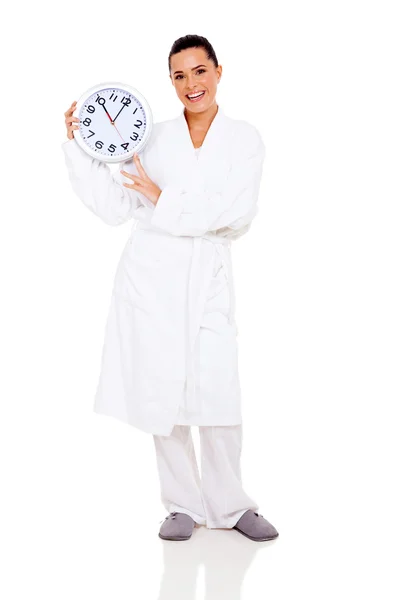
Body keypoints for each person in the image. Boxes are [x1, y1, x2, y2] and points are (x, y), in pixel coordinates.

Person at [62, 34, 278, 542]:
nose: (191, 84)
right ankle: (181, 504)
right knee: (165, 394)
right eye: (179, 76)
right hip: (153, 277)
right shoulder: (150, 138)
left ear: (218, 72)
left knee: (219, 391)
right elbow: (117, 208)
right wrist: (81, 145)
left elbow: (236, 212)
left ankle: (231, 505)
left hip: (207, 278)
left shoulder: (244, 139)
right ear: (171, 82)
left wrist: (163, 199)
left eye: (199, 71)